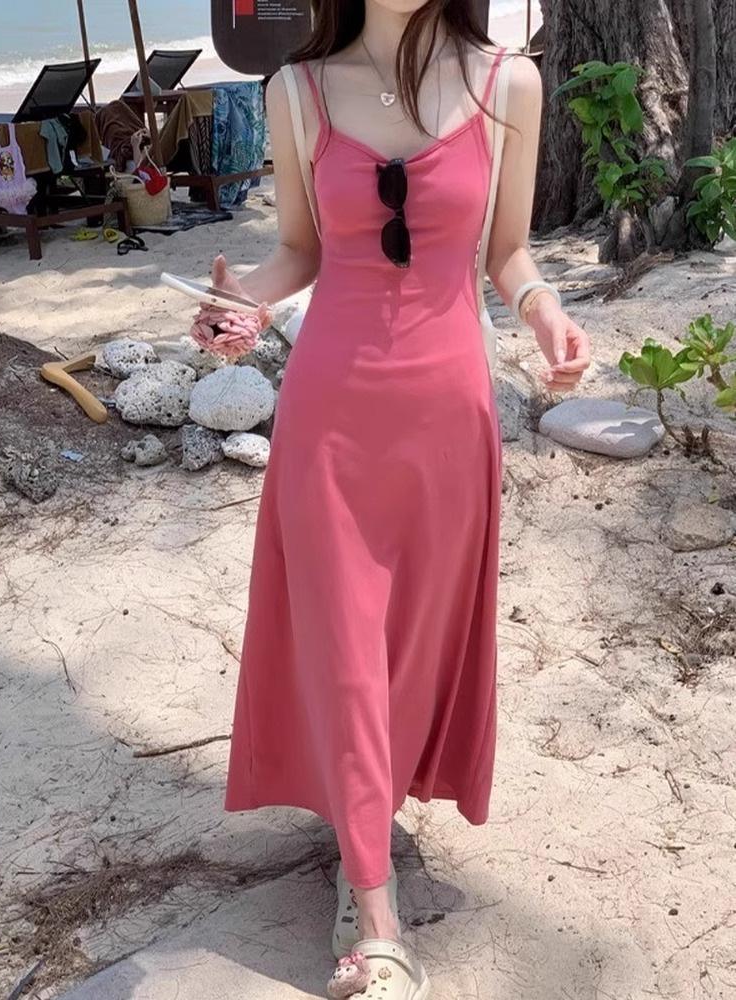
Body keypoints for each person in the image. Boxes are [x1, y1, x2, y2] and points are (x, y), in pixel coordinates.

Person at [209, 1, 591, 995]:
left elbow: (507, 253)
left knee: (411, 652)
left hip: (448, 419)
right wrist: (241, 306)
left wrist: (546, 315)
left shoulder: (509, 82)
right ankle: (376, 919)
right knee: (342, 645)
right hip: (329, 420)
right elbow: (299, 250)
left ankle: (366, 826)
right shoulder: (296, 90)